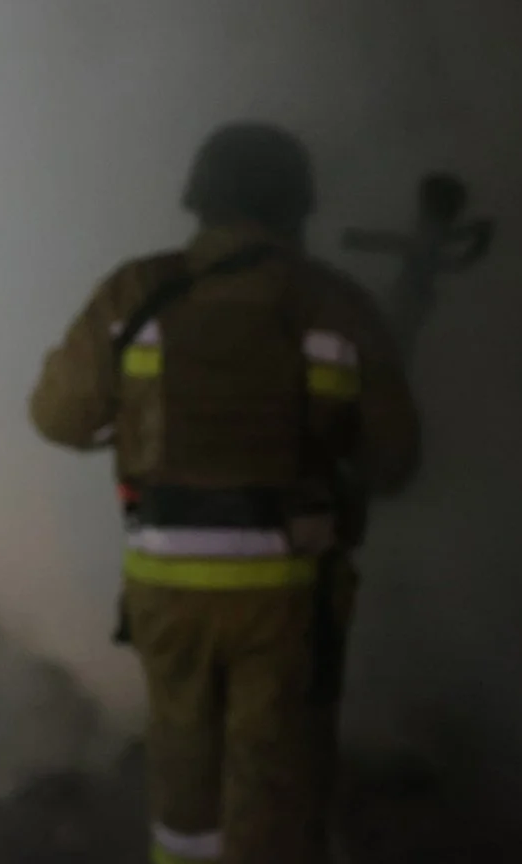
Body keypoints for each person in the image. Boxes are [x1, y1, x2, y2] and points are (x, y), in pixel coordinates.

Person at [27, 122, 420, 864]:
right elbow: (394, 461)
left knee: (185, 797)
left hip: (167, 589)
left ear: (199, 203)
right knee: (272, 795)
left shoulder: (136, 292)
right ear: (297, 210)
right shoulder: (333, 303)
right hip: (286, 597)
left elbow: (57, 417)